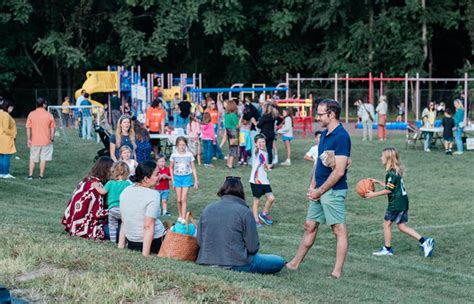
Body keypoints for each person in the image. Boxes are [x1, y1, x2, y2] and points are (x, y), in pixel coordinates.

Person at [286, 99, 351, 279]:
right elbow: (318, 163)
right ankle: (294, 263)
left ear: (331, 114)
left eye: (321, 114)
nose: (317, 117)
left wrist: (320, 190)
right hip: (319, 189)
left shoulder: (342, 137)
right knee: (309, 226)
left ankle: (336, 272)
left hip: (333, 190)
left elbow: (339, 171)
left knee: (338, 230)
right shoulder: (323, 135)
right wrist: (312, 185)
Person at [197, 176, 285, 274]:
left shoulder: (208, 209)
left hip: (206, 260)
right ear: (241, 191)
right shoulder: (244, 212)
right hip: (236, 263)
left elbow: (200, 242)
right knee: (278, 261)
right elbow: (253, 248)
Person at [365, 147, 435, 257]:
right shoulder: (395, 171)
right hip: (402, 201)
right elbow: (393, 187)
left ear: (388, 158)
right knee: (402, 226)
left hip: (396, 203)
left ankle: (387, 249)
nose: (380, 158)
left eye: (382, 156)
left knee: (386, 224)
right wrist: (378, 182)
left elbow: (389, 190)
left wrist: (373, 194)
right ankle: (425, 241)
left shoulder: (391, 173)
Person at [119, 160, 166, 256]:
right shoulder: (153, 195)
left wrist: (121, 246)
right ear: (146, 179)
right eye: (157, 174)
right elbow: (148, 226)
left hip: (132, 243)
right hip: (154, 242)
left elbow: (124, 221)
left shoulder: (126, 190)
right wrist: (145, 254)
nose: (160, 176)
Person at [62, 156, 114, 240]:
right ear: (107, 170)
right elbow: (97, 213)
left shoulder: (85, 181)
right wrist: (114, 210)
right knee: (119, 229)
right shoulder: (97, 186)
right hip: (84, 226)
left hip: (72, 223)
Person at [92, 161, 131, 243]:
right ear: (126, 172)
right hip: (123, 209)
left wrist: (95, 186)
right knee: (126, 224)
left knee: (112, 225)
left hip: (112, 209)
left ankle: (113, 241)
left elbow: (102, 192)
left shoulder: (110, 183)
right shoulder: (127, 184)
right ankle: (125, 240)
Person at [170, 136, 199, 223]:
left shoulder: (189, 155)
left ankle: (183, 217)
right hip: (177, 178)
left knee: (183, 199)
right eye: (180, 145)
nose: (182, 146)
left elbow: (193, 168)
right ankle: (179, 215)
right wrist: (173, 180)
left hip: (187, 177)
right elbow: (171, 167)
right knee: (178, 200)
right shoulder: (174, 155)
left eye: (183, 145)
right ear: (177, 146)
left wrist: (196, 181)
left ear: (186, 145)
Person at [249, 134, 275, 228]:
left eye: (263, 141)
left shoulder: (265, 153)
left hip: (265, 180)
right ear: (256, 143)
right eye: (259, 142)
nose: (262, 143)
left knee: (271, 198)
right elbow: (256, 152)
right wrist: (257, 148)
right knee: (256, 201)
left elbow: (263, 165)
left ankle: (263, 214)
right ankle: (256, 220)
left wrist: (267, 167)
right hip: (256, 181)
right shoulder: (256, 151)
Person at [26, 98, 55, 180]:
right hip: (46, 141)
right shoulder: (49, 115)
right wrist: (52, 138)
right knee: (43, 159)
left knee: (32, 158)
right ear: (43, 105)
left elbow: (28, 127)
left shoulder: (31, 114)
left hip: (35, 141)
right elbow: (52, 128)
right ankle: (41, 175)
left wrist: (29, 139)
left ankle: (30, 175)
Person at [0, 98, 17, 179]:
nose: (12, 109)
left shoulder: (0, 113)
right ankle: (5, 173)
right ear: (9, 107)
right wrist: (13, 134)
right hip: (5, 138)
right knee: (6, 156)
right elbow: (6, 129)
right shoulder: (6, 115)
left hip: (1, 138)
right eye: (12, 108)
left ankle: (1, 173)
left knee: (1, 156)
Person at [223, 99, 239, 169]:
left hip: (228, 131)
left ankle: (228, 163)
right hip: (233, 131)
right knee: (234, 148)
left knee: (230, 148)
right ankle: (230, 164)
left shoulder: (226, 114)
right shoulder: (233, 115)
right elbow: (237, 125)